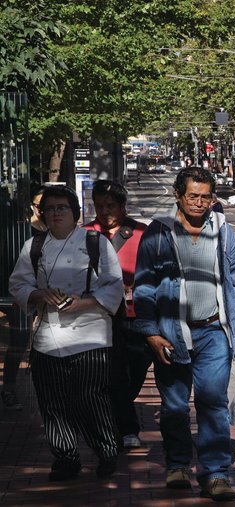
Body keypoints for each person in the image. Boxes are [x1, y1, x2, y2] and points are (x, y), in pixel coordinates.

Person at [134, 167, 235, 501]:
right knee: (174, 405)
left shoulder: (222, 231)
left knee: (213, 401)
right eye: (193, 196)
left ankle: (215, 473)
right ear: (178, 195)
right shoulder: (158, 233)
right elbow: (143, 285)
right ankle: (177, 466)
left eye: (206, 197)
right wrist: (150, 332)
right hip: (171, 333)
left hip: (214, 331)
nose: (200, 203)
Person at [8, 185, 124, 480]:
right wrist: (38, 294)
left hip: (92, 333)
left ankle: (107, 450)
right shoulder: (33, 247)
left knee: (91, 397)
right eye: (50, 209)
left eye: (62, 208)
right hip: (49, 335)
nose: (56, 213)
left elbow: (113, 285)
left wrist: (82, 302)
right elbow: (18, 285)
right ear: (42, 214)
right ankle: (66, 457)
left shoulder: (95, 242)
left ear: (76, 213)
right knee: (52, 402)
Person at [83, 180, 151, 449]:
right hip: (98, 314)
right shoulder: (85, 234)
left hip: (135, 313)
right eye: (99, 206)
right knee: (111, 373)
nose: (104, 211)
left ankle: (119, 414)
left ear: (123, 206)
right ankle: (124, 426)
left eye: (110, 205)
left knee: (136, 368)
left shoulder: (142, 233)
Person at [2, 185, 46, 411]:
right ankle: (9, 387)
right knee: (19, 340)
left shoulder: (58, 229)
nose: (46, 210)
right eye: (41, 205)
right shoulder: (23, 230)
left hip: (46, 294)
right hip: (22, 293)